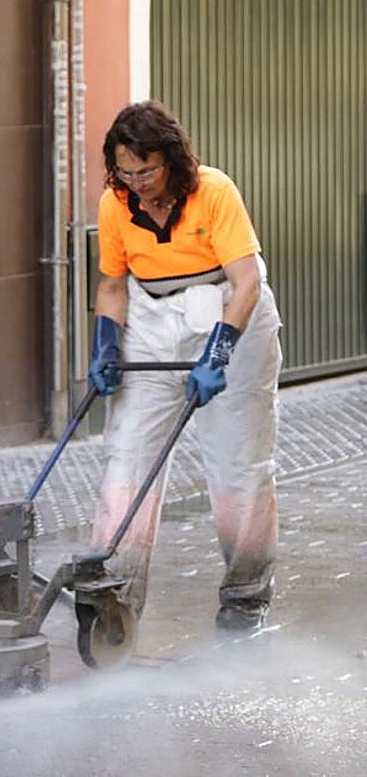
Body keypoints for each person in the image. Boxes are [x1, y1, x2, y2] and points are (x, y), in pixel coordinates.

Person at [87, 100, 282, 631]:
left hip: (228, 311)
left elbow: (247, 284)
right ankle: (114, 596)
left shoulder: (213, 191)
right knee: (126, 457)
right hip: (150, 315)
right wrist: (106, 346)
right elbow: (111, 284)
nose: (136, 182)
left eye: (146, 170)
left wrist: (217, 355)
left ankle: (245, 597)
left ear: (171, 159)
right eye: (124, 171)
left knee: (237, 464)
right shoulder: (116, 202)